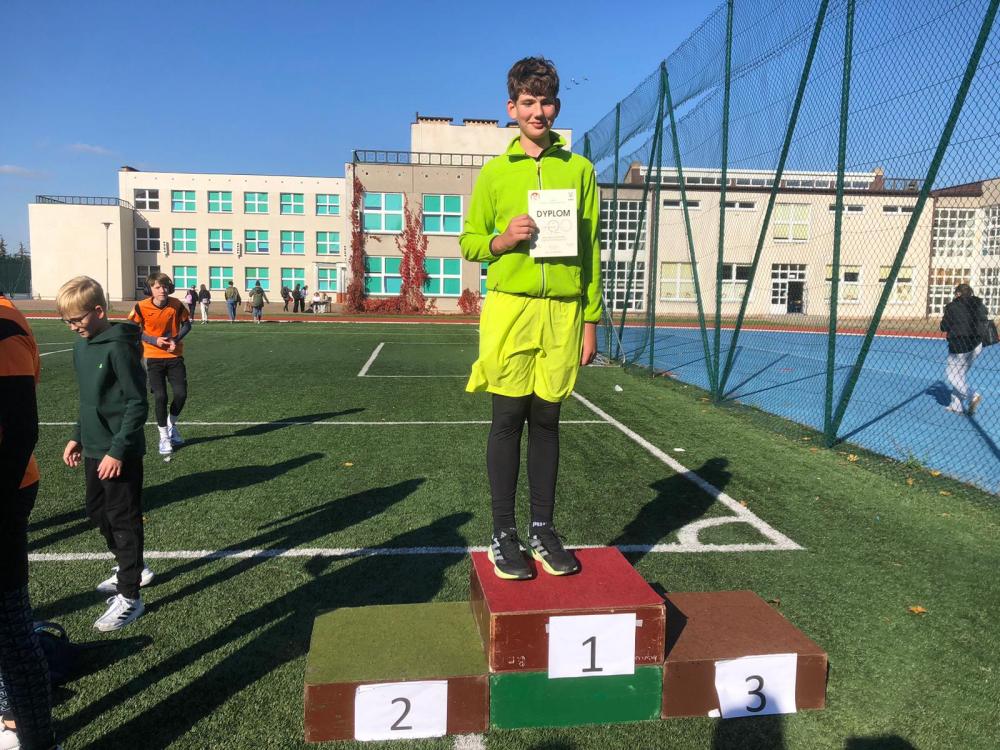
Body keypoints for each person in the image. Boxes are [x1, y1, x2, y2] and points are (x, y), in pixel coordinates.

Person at [459, 57, 602, 580]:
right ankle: (503, 533)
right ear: (511, 108)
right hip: (511, 308)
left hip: (562, 312)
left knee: (547, 420)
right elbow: (470, 242)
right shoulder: (496, 173)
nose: (537, 111)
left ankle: (543, 528)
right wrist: (503, 240)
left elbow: (591, 250)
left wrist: (590, 321)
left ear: (556, 107)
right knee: (507, 418)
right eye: (527, 102)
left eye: (545, 102)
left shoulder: (580, 170)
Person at [57, 277, 151, 633]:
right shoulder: (81, 346)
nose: (72, 326)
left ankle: (131, 595)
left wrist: (117, 451)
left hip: (119, 453)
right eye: (67, 321)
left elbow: (137, 403)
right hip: (95, 447)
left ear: (98, 311)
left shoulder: (119, 347)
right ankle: (133, 567)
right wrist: (77, 436)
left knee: (123, 519)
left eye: (77, 319)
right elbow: (89, 400)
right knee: (97, 512)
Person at [0, 294, 61, 750]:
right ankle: (8, 718)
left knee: (10, 628)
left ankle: (34, 737)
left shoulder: (3, 325)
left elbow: (21, 430)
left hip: (6, 488)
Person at [128, 272, 191, 457]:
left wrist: (175, 339)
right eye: (157, 287)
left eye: (165, 286)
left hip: (174, 356)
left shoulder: (176, 304)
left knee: (181, 394)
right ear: (150, 290)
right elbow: (133, 330)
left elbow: (187, 325)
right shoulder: (141, 306)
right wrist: (154, 340)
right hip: (152, 357)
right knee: (160, 396)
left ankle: (171, 425)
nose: (162, 290)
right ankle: (164, 436)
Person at [940, 283, 988, 415]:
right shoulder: (979, 305)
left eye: (955, 293)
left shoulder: (952, 306)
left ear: (958, 294)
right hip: (977, 344)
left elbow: (944, 327)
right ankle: (956, 406)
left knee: (951, 375)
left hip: (959, 345)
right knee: (959, 375)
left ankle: (972, 395)